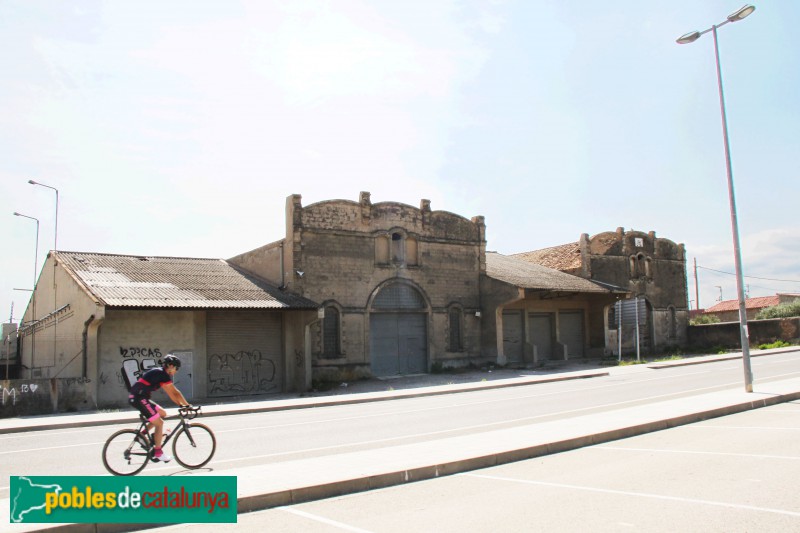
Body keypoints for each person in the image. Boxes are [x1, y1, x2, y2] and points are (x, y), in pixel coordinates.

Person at [128, 354, 189, 462]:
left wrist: (182, 405)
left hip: (140, 397)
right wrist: (186, 406)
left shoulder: (161, 373)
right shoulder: (162, 374)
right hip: (139, 398)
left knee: (162, 413)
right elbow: (175, 392)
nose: (177, 371)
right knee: (159, 423)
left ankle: (141, 436)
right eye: (176, 368)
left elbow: (172, 394)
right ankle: (158, 453)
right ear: (170, 366)